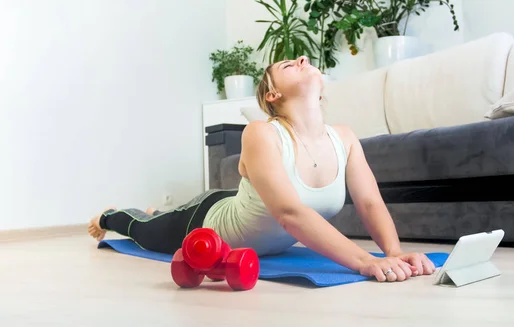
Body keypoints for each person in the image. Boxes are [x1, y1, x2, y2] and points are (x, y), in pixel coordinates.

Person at [88, 56, 436, 282]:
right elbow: (288, 213)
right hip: (208, 219)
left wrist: (392, 252)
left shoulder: (344, 138)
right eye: (288, 65)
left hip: (253, 216)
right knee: (144, 231)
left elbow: (370, 203)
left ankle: (158, 212)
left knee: (156, 221)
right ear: (272, 96)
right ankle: (111, 215)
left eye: (301, 60)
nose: (302, 59)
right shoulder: (261, 133)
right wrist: (364, 261)